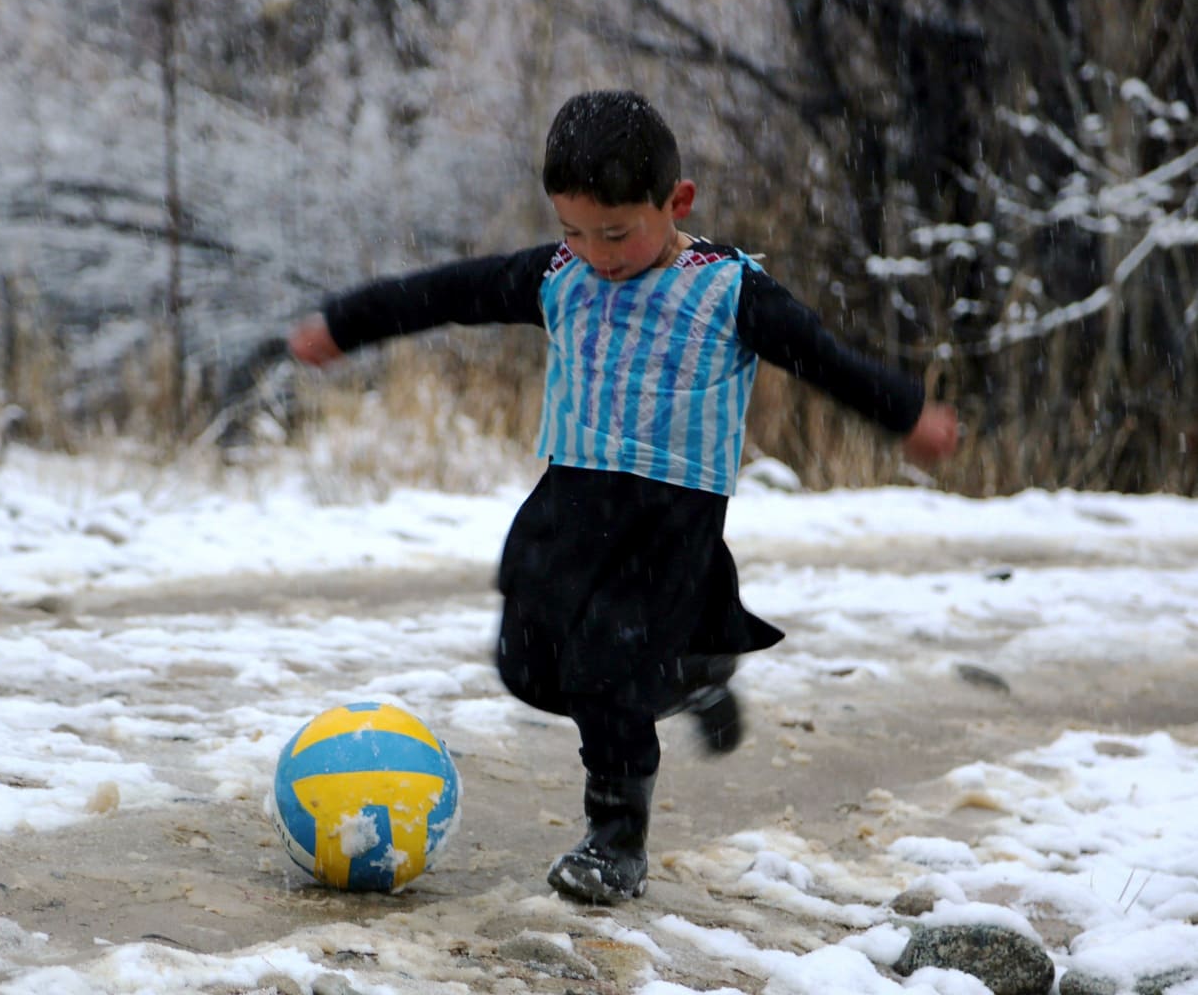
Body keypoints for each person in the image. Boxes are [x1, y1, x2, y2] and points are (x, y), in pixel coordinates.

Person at [288, 90, 959, 904]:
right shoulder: (558, 276)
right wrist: (345, 325)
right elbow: (445, 293)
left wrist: (906, 413)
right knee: (528, 667)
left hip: (668, 521)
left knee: (605, 673)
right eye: (574, 229)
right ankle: (693, 669)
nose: (595, 253)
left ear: (676, 203)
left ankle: (616, 841)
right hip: (571, 500)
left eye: (616, 232)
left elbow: (824, 358)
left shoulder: (728, 290)